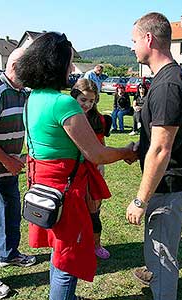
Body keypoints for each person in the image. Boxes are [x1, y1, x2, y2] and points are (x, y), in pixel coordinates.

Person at [15, 31, 138, 300]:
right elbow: (96, 154)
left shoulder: (32, 98)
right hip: (66, 192)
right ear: (54, 63)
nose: (72, 68)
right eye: (69, 62)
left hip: (42, 189)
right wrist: (127, 151)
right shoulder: (64, 103)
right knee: (67, 260)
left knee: (58, 253)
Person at [126, 12, 182, 300]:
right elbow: (157, 140)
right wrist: (140, 148)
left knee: (163, 253)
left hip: (170, 185)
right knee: (157, 244)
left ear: (149, 38)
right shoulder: (165, 79)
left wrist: (140, 200)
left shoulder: (168, 85)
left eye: (134, 41)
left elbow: (161, 149)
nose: (132, 47)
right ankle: (154, 272)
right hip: (169, 180)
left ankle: (162, 286)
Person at [0, 48, 36, 299]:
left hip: (8, 167)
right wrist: (7, 160)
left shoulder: (22, 92)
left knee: (11, 211)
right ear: (16, 66)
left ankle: (9, 254)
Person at [71, 78, 111, 260]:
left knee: (94, 208)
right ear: (75, 97)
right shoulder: (68, 117)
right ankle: (78, 243)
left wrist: (101, 164)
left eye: (91, 101)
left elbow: (101, 144)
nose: (87, 104)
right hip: (73, 170)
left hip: (93, 169)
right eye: (83, 100)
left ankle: (96, 244)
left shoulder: (99, 119)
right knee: (75, 211)